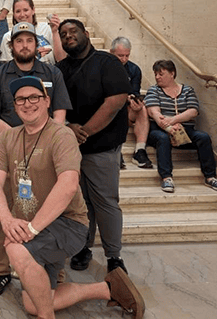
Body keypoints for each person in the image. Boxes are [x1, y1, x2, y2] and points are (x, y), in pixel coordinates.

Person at [0, 75, 145, 319]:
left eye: (33, 97)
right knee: (34, 303)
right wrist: (7, 220)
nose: (27, 104)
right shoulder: (8, 137)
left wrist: (31, 229)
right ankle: (108, 288)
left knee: (16, 250)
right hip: (35, 227)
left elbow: (69, 185)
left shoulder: (61, 136)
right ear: (14, 105)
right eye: (20, 100)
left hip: (68, 223)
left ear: (47, 101)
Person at [0, 22, 72, 297]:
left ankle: (56, 272)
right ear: (12, 46)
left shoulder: (52, 73)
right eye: (19, 41)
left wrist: (43, 141)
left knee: (49, 211)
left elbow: (60, 114)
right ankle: (1, 271)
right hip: (6, 155)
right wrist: (21, 140)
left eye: (29, 41)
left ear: (36, 43)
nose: (24, 46)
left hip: (47, 154)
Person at [55, 19, 129, 274]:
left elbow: (116, 101)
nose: (68, 37)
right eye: (63, 34)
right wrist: (67, 127)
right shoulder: (60, 68)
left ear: (86, 34)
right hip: (71, 151)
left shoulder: (107, 63)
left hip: (102, 149)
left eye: (73, 32)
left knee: (106, 203)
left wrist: (83, 131)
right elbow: (53, 106)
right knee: (79, 204)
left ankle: (114, 257)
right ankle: (81, 248)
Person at [145, 59, 217, 194]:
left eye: (161, 74)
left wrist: (174, 120)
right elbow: (154, 113)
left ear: (172, 74)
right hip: (161, 130)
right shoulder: (154, 90)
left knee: (203, 137)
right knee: (162, 139)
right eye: (156, 74)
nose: (157, 77)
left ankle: (210, 177)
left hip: (184, 130)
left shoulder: (187, 90)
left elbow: (193, 111)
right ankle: (166, 177)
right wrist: (170, 128)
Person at [109, 37, 152, 169]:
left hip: (125, 108)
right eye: (120, 55)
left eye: (127, 55)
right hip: (107, 108)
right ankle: (115, 149)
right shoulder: (102, 67)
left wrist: (133, 99)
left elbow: (134, 91)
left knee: (142, 109)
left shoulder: (134, 70)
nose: (124, 59)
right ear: (111, 53)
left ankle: (139, 150)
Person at [0, 0, 63, 65]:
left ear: (33, 10)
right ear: (13, 14)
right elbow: (9, 67)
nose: (22, 14)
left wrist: (55, 32)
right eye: (18, 11)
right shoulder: (8, 37)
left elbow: (61, 58)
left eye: (26, 10)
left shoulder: (48, 28)